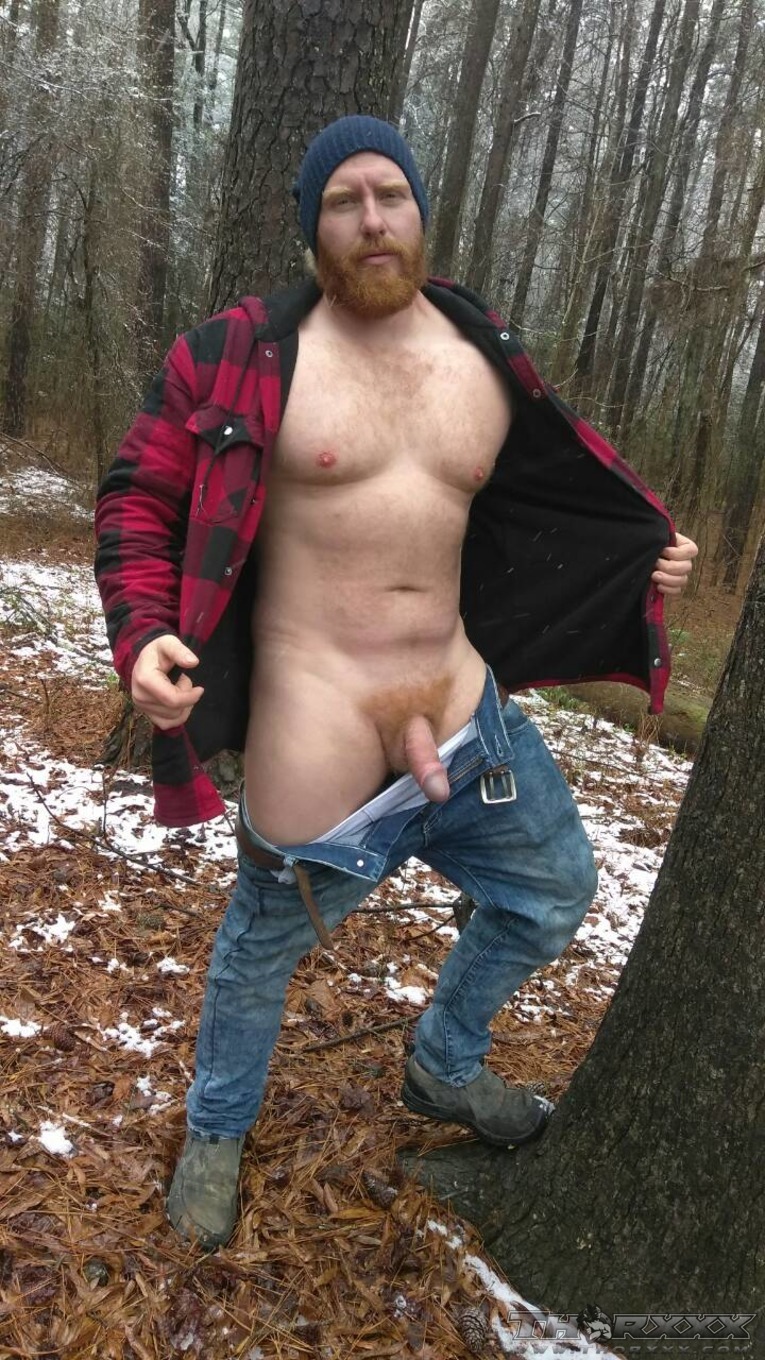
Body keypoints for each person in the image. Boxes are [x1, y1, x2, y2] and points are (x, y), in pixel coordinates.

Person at [94, 115, 698, 1251]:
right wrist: (141, 639)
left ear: (421, 210)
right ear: (312, 226)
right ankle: (216, 1130)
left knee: (556, 891)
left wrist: (648, 555)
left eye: (391, 196)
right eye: (343, 201)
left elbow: (565, 493)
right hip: (316, 738)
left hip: (467, 720)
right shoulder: (241, 354)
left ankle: (443, 1063)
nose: (372, 220)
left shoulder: (482, 351)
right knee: (259, 952)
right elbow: (138, 494)